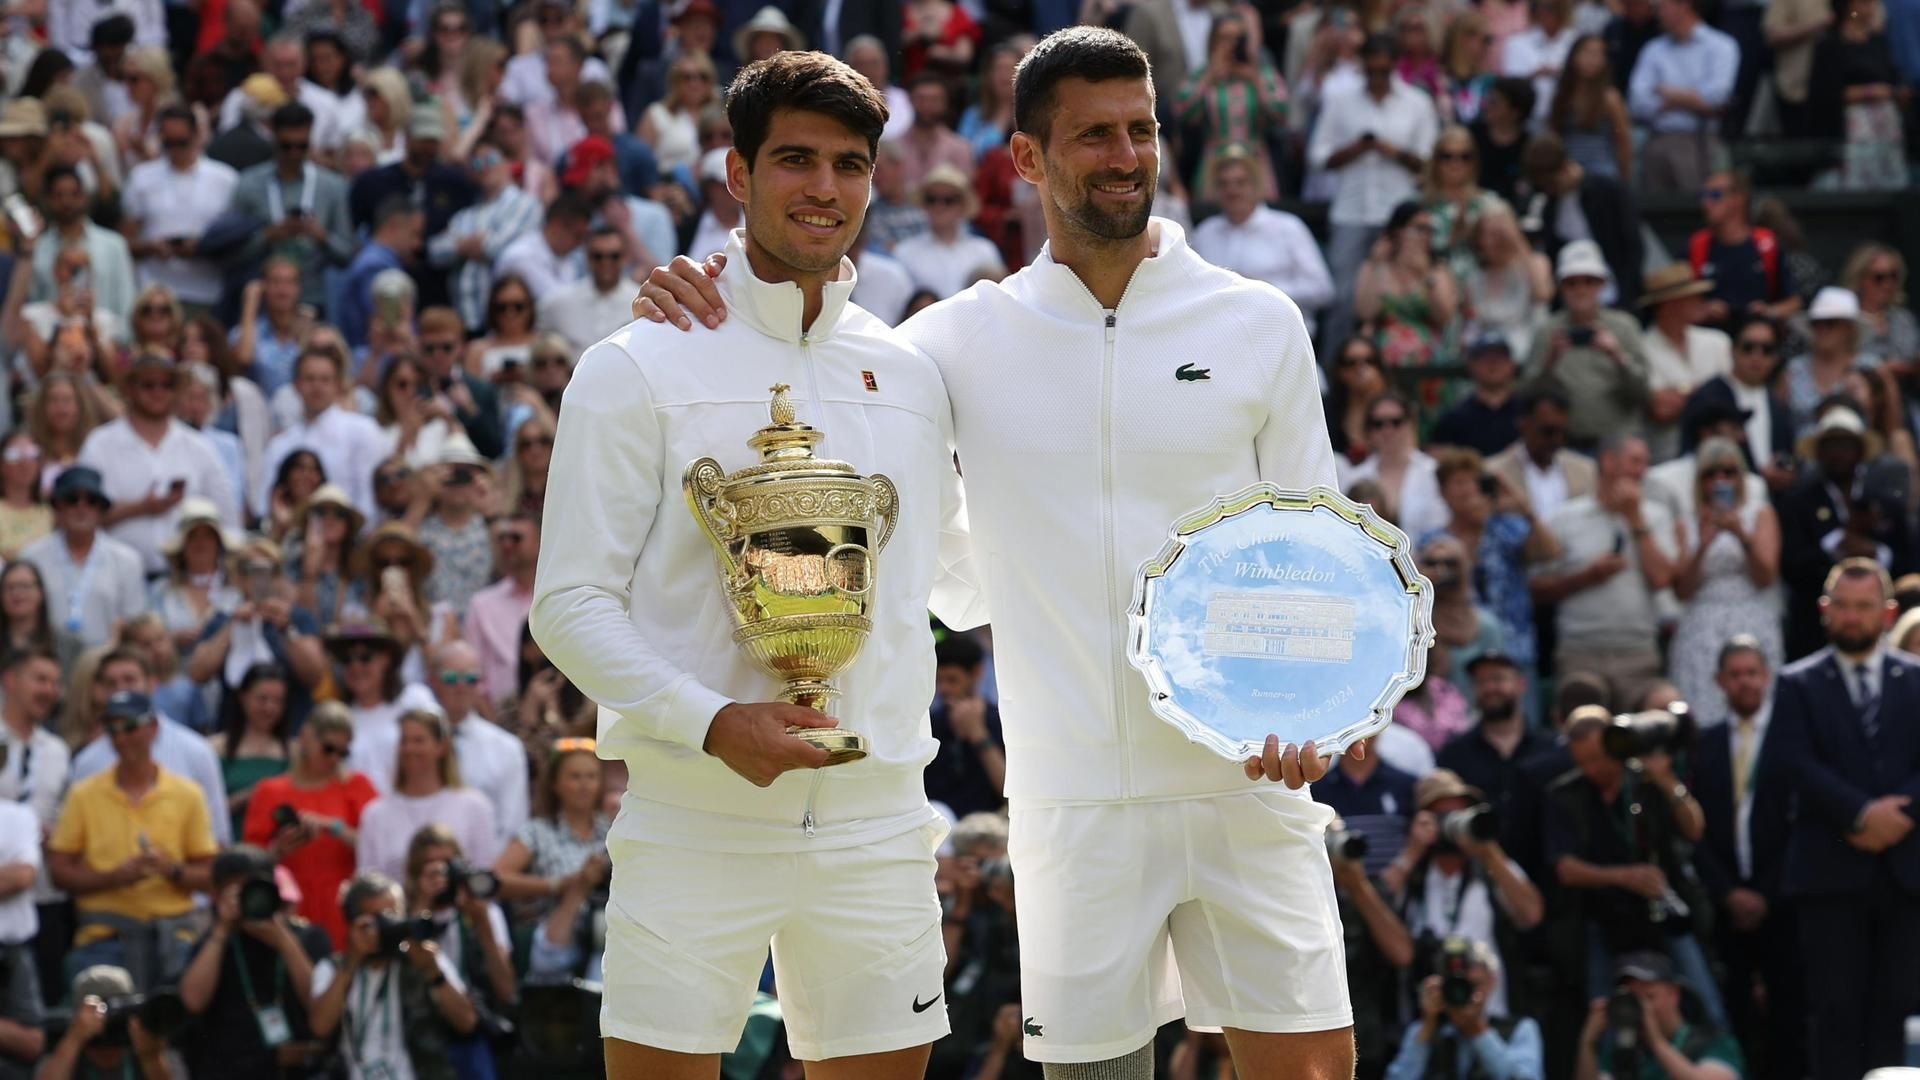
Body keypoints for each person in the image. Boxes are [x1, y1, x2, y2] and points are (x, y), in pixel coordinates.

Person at [633, 29, 1367, 1079]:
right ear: (1027, 159)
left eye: (1141, 131)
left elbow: (1321, 548)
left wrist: (1310, 711)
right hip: (1069, 808)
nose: (1125, 157)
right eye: (1094, 136)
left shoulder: (1260, 323)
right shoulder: (948, 343)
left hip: (1249, 785)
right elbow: (812, 354)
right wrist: (697, 290)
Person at [535, 50, 979, 1076]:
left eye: (850, 164)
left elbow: (958, 580)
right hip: (696, 810)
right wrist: (712, 724)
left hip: (879, 819)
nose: (825, 189)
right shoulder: (635, 362)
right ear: (737, 175)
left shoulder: (913, 375)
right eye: (795, 160)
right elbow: (567, 605)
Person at [1760, 559, 1920, 1080]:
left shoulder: (1915, 680)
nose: (1852, 618)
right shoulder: (1796, 683)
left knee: (1896, 1012)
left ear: (1887, 611)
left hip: (1905, 873)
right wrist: (1859, 814)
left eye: (1864, 607)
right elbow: (1791, 761)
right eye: (1842, 607)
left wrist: (1902, 816)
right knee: (1834, 1015)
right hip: (1829, 874)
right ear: (1825, 610)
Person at [1548, 706, 1726, 1029]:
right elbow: (1565, 868)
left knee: (1705, 1002)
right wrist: (1624, 877)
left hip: (1662, 911)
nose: (1592, 768)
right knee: (1603, 1015)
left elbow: (1694, 828)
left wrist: (1667, 780)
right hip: (1603, 919)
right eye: (1582, 760)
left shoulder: (1645, 781)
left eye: (1598, 757)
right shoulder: (1565, 794)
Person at [47, 690, 219, 987]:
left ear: (153, 727)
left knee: (182, 1017)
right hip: (105, 934)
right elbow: (60, 871)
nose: (121, 737)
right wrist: (115, 877)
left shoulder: (187, 794)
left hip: (171, 935)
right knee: (98, 1015)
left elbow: (211, 873)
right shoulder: (84, 794)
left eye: (129, 726)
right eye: (112, 728)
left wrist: (171, 870)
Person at [1691, 636, 1802, 1080]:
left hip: (1783, 899)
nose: (1744, 683)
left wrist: (1766, 894)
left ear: (1767, 677)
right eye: (1735, 675)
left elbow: (1802, 825)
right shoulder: (1704, 744)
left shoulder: (1792, 740)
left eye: (1751, 673)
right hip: (1726, 901)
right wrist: (1727, 892)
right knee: (1733, 1008)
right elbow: (1693, 828)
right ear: (1720, 681)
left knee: (1790, 1013)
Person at [1531, 436, 1679, 710]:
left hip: (1639, 654)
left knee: (1665, 708)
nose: (1642, 471)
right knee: (1584, 709)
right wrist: (1587, 577)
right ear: (1608, 462)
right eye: (1635, 462)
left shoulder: (1655, 516)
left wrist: (1636, 519)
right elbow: (1537, 587)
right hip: (1581, 653)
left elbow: (1662, 578)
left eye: (1645, 463)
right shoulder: (1565, 518)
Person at [1310, 33, 1438, 348]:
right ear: (1363, 65)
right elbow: (1318, 157)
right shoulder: (1341, 101)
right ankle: (1332, 376)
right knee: (1343, 296)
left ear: (1395, 65)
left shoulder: (1417, 102)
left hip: (1398, 214)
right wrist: (1358, 148)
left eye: (1384, 68)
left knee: (1399, 296)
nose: (1378, 74)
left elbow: (1428, 160)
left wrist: (1388, 150)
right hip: (1351, 211)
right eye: (1372, 68)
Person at [176, 846, 331, 1080]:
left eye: (254, 889)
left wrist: (283, 940)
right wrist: (222, 929)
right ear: (218, 895)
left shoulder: (307, 938)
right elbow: (193, 1001)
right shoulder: (214, 944)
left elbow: (320, 1005)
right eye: (237, 891)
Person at [308, 870, 479, 1079]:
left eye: (392, 916)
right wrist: (350, 965)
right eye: (376, 919)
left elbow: (467, 1023)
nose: (387, 926)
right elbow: (320, 1027)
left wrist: (433, 972)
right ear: (353, 924)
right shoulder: (333, 968)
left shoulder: (423, 958)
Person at [78, 356, 239, 576]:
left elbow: (228, 521)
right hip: (115, 577)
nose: (158, 392)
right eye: (148, 385)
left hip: (185, 582)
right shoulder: (99, 445)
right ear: (130, 388)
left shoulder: (200, 448)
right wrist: (141, 507)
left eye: (167, 385)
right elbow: (79, 517)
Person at [1777, 407, 1914, 659]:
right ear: (1819, 453)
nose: (1838, 454)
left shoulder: (1885, 503)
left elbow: (1908, 563)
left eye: (1846, 445)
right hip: (1814, 631)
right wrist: (1838, 544)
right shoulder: (1799, 502)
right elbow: (1792, 564)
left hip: (1882, 631)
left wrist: (1875, 552)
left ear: (1860, 451)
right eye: (1830, 446)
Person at [242, 702, 378, 949]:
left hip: (343, 904)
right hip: (290, 906)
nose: (334, 758)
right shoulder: (269, 791)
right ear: (306, 737)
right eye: (328, 749)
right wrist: (278, 849)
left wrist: (333, 827)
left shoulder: (357, 786)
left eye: (342, 753)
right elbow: (251, 860)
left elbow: (378, 846)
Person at [68, 648, 235, 844]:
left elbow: (218, 835)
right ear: (99, 691)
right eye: (111, 683)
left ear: (152, 684)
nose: (121, 689)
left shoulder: (196, 751)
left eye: (130, 680)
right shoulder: (87, 762)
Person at [1667, 437, 1783, 713]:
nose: (1720, 480)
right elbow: (1682, 590)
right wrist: (1703, 546)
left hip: (1751, 616)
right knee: (1703, 706)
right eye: (1711, 473)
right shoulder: (1687, 523)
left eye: (1729, 472)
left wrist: (1741, 535)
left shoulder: (1759, 514)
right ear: (1700, 481)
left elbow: (1766, 576)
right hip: (1702, 625)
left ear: (1741, 476)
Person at [492, 737, 610, 979]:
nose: (584, 785)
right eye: (575, 777)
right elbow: (494, 879)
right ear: (556, 784)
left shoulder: (613, 830)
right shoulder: (537, 831)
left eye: (591, 776)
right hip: (553, 944)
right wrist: (560, 885)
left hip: (607, 935)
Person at [1189, 146, 1334, 336]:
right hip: (1222, 336)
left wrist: (1265, 289)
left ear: (1256, 186)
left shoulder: (1288, 227)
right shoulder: (1205, 233)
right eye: (1224, 184)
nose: (1232, 191)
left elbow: (1322, 289)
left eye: (1241, 182)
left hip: (1282, 334)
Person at [226, 103, 356, 315]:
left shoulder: (332, 186)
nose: (294, 153)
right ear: (273, 139)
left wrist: (320, 235)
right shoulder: (249, 184)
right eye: (286, 146)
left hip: (314, 300)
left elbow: (347, 254)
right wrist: (269, 235)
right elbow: (232, 255)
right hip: (261, 304)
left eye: (302, 146)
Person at [1524, 241, 1649, 452]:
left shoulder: (1625, 327)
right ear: (1560, 287)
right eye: (1571, 283)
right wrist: (1550, 361)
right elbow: (1527, 397)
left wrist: (1617, 356)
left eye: (1589, 281)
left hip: (1618, 443)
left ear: (1601, 284)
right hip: (1564, 444)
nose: (1580, 290)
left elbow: (1643, 392)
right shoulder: (1547, 331)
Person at [355, 709, 498, 892]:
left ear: (442, 746)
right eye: (404, 741)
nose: (409, 748)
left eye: (419, 740)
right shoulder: (375, 814)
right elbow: (368, 884)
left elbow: (483, 875)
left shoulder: (475, 805)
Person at [19, 467, 147, 650]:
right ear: (58, 507)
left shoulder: (128, 560)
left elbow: (135, 622)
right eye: (72, 500)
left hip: (106, 664)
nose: (81, 508)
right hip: (46, 660)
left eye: (92, 501)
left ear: (101, 509)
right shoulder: (31, 557)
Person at [256, 345, 388, 520]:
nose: (317, 386)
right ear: (296, 385)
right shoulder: (279, 445)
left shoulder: (363, 430)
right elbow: (263, 505)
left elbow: (369, 499)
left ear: (338, 385)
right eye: (310, 379)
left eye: (325, 380)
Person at [1383, 938, 1543, 1080]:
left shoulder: (1520, 1029)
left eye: (1472, 985)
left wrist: (1478, 1032)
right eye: (1455, 985)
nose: (1463, 994)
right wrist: (1426, 1030)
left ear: (1492, 981)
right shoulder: (1423, 1030)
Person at [429, 137, 543, 334]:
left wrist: (462, 245)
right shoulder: (464, 215)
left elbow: (495, 247)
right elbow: (435, 251)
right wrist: (467, 245)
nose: (484, 167)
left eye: (490, 160)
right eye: (477, 163)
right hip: (465, 322)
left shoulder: (525, 203)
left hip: (507, 316)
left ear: (507, 163)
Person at [1627, 0, 1739, 193]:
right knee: (1657, 213)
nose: (1657, 13)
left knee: (1703, 209)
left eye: (1662, 7)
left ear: (1684, 6)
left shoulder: (1721, 45)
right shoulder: (1653, 49)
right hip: (1657, 141)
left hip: (1701, 141)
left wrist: (1667, 93)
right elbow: (1637, 102)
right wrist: (1694, 99)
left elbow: (1717, 97)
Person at [1576, 952, 1745, 1080]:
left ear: (1674, 993)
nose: (1641, 1007)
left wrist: (1656, 1041)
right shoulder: (1622, 1051)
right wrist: (1587, 1043)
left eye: (1649, 997)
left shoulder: (1715, 1042)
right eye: (1634, 999)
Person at [1519, 135, 1643, 308]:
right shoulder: (1550, 206)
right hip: (1572, 297)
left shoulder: (1609, 191)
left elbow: (1632, 248)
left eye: (1551, 183)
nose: (1549, 189)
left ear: (1565, 166)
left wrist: (1626, 298)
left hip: (1616, 290)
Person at [431, 640, 529, 847]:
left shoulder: (507, 747)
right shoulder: (414, 743)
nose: (460, 686)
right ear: (433, 681)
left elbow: (513, 823)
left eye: (470, 679)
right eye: (451, 678)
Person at [1638, 263, 1732, 460]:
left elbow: (1730, 400)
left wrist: (1681, 392)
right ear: (1670, 304)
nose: (1700, 301)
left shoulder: (1718, 341)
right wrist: (1709, 392)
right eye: (1692, 297)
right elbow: (1661, 409)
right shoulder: (1641, 348)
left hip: (1718, 459)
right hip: (1667, 458)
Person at [1691, 171, 1802, 329]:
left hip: (1757, 345)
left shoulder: (1766, 244)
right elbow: (1681, 306)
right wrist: (1704, 311)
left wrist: (1768, 311)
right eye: (1703, 195)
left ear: (1738, 198)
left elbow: (1794, 301)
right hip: (1710, 344)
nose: (1705, 202)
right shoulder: (1697, 245)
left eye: (1714, 195)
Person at [1354, 200, 1457, 369]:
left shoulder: (1437, 269)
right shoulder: (1374, 265)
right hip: (1383, 356)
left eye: (1430, 230)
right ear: (1398, 231)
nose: (1426, 235)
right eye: (1419, 228)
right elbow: (1365, 312)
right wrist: (1378, 265)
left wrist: (1425, 275)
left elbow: (1444, 317)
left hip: (1429, 358)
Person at [891, 164, 1007, 300]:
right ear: (924, 205)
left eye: (949, 200)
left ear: (962, 206)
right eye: (931, 199)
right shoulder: (905, 251)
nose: (939, 206)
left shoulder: (984, 250)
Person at [36, 966, 172, 1080]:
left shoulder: (151, 1046)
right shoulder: (62, 1050)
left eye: (117, 1023)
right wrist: (73, 1040)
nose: (108, 1030)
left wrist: (151, 1058)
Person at [1345, 390, 1447, 540]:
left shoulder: (1434, 472)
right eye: (1378, 424)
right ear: (1369, 430)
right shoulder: (1353, 478)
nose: (1388, 430)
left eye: (1396, 422)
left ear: (1411, 424)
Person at [1487, 386, 1594, 522]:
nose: (1557, 439)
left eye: (1562, 432)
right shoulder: (1493, 472)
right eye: (1548, 432)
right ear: (1523, 424)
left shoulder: (1586, 471)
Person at [928, 634, 1007, 819]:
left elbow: (1008, 792)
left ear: (976, 673)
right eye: (939, 680)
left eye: (953, 680)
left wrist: (978, 735)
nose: (944, 689)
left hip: (990, 827)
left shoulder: (998, 720)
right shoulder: (931, 725)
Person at [209, 662, 291, 839]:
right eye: (262, 699)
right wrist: (247, 796)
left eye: (278, 701)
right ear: (243, 697)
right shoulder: (215, 748)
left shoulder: (294, 751)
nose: (270, 708)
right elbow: (204, 812)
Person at [467, 512, 539, 705]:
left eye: (516, 538)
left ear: (541, 542)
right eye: (502, 539)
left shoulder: (558, 599)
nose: (507, 546)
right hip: (501, 718)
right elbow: (474, 675)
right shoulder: (482, 604)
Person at [538, 225, 636, 355]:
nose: (606, 262)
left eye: (614, 256)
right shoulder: (556, 304)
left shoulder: (640, 300)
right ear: (587, 258)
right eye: (598, 256)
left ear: (625, 258)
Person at [1782, 287, 1869, 433]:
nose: (1822, 329)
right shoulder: (1793, 370)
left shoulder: (1870, 368)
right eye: (1816, 323)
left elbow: (1889, 426)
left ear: (1850, 328)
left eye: (1830, 323)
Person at [1547, 34, 1632, 182]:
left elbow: (1623, 142)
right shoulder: (1562, 95)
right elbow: (1554, 134)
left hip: (1601, 172)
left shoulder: (1610, 98)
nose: (1591, 60)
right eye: (1586, 53)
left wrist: (1623, 179)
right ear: (1574, 57)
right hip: (1567, 170)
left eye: (1597, 55)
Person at [1430, 333, 1524, 457]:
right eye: (1485, 358)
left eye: (1499, 357)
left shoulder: (1526, 414)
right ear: (1472, 365)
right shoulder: (1454, 418)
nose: (1493, 364)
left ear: (1511, 365)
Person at [494, 192, 592, 303]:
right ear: (557, 225)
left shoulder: (565, 256)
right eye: (577, 235)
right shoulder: (520, 256)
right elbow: (558, 304)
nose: (579, 244)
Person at [1502, 0, 1578, 122]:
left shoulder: (1576, 41)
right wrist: (1534, 75)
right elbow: (1510, 86)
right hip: (1528, 118)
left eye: (1549, 7)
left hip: (1567, 119)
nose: (1542, 12)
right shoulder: (1515, 43)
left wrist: (1558, 73)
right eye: (1536, 6)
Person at [1848, 243, 1918, 368]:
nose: (1888, 284)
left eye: (1893, 276)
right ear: (1860, 279)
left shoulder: (1903, 318)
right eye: (1879, 277)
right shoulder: (1843, 319)